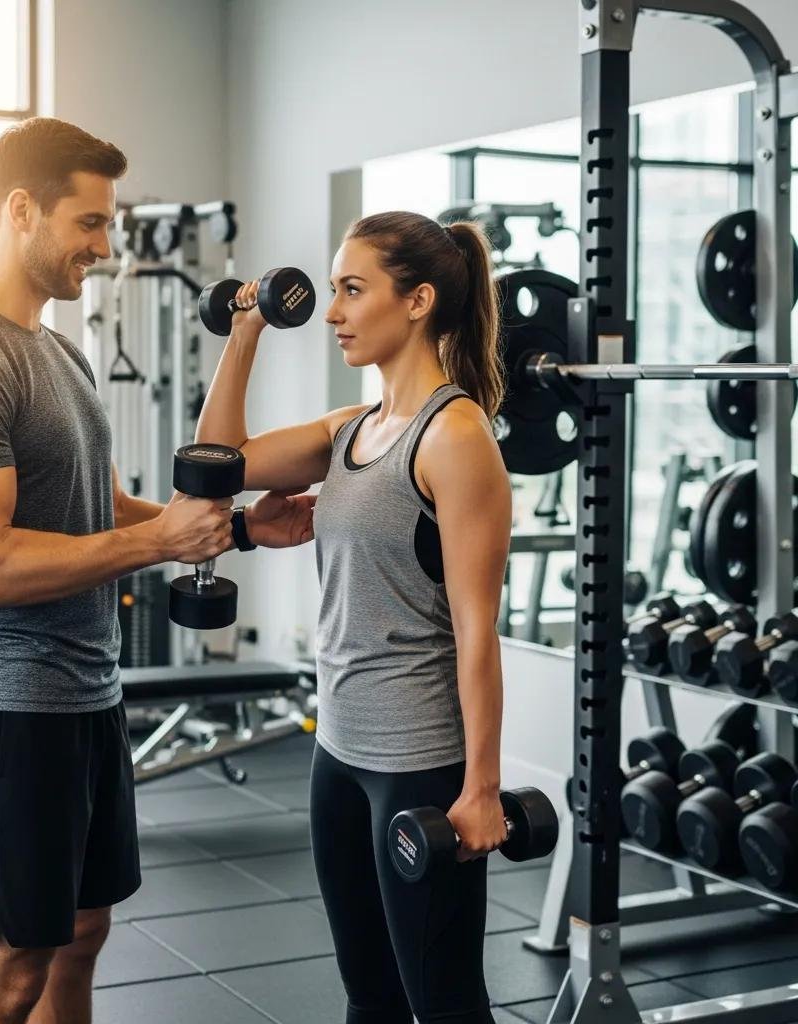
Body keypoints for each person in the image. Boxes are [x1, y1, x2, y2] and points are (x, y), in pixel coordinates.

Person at [0, 116, 316, 1024]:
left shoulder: (60, 351)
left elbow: (106, 509)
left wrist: (237, 530)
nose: (105, 244)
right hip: (5, 702)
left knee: (83, 933)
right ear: (20, 211)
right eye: (88, 223)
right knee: (9, 965)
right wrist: (163, 543)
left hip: (87, 692)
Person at [195, 211, 511, 1023]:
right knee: (368, 998)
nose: (331, 311)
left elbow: (478, 629)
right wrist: (245, 331)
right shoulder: (353, 429)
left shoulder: (456, 437)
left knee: (444, 1003)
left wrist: (481, 788)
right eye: (332, 290)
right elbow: (213, 469)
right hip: (337, 750)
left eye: (351, 289)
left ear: (418, 302)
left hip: (418, 761)